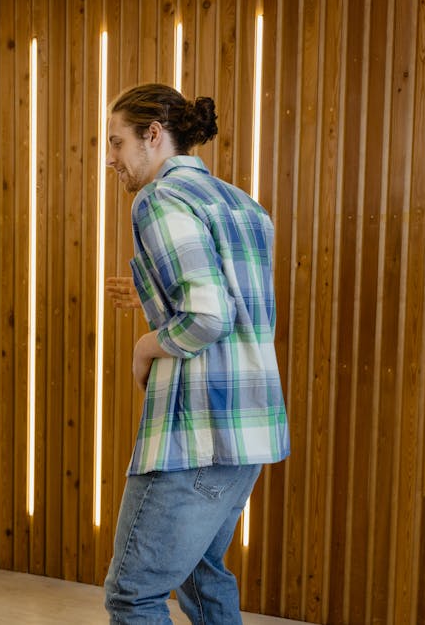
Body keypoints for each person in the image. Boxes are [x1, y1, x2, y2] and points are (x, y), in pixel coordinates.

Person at [102, 83, 290, 624]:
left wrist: (144, 346)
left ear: (153, 136)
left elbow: (209, 314)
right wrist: (147, 295)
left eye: (117, 143)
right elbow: (237, 306)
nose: (111, 159)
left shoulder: (158, 198)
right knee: (202, 573)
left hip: (197, 434)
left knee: (133, 594)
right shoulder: (244, 205)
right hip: (250, 431)